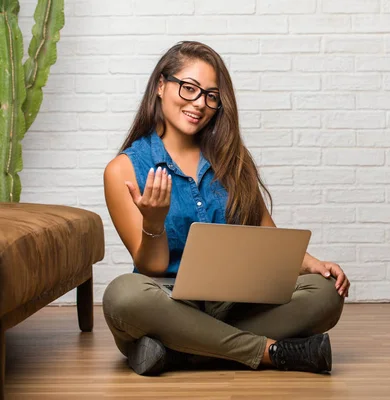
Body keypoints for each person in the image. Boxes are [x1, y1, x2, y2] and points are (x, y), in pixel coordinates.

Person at [102, 41, 350, 376]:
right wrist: (154, 222)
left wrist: (312, 264)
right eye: (189, 88)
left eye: (211, 96)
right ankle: (267, 351)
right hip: (168, 303)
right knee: (123, 296)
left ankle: (180, 351)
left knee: (325, 294)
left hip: (236, 304)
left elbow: (267, 236)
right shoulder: (123, 169)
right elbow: (151, 266)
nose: (199, 103)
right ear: (160, 85)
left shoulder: (232, 160)